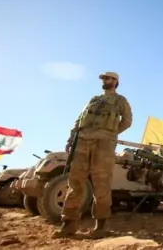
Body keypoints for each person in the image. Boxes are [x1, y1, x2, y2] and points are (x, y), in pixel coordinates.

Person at [53, 72, 133, 238]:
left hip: (103, 145)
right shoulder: (93, 100)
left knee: (101, 185)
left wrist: (110, 134)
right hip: (82, 142)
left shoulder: (120, 100)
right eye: (103, 78)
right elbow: (79, 119)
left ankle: (100, 227)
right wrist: (71, 137)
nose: (105, 81)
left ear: (116, 81)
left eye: (108, 78)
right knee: (75, 183)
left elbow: (127, 121)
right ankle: (68, 224)